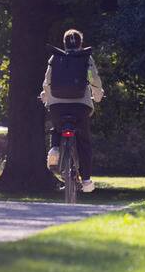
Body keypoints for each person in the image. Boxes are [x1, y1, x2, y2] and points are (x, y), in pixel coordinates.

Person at [41, 29, 104, 192]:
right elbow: (93, 79)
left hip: (57, 105)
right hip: (80, 106)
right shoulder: (86, 58)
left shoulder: (55, 57)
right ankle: (86, 180)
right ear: (81, 43)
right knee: (84, 141)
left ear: (64, 43)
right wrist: (97, 95)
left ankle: (55, 148)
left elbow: (47, 81)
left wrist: (46, 96)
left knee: (57, 126)